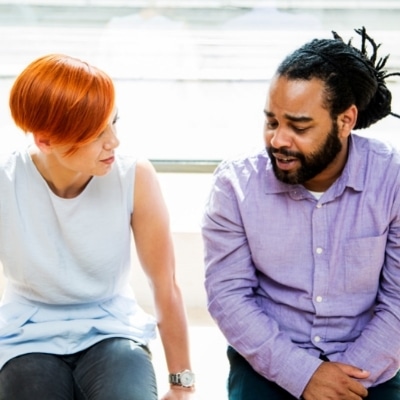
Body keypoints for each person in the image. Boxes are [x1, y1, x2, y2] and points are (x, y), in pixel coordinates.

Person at [202, 27, 400, 400]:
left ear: (345, 121)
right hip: (270, 360)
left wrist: (346, 380)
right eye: (272, 121)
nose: (278, 140)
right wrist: (303, 374)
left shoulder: (392, 179)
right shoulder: (235, 186)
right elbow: (228, 296)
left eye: (299, 126)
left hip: (368, 364)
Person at [0, 54, 196, 400]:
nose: (114, 142)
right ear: (44, 140)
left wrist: (181, 384)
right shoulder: (7, 181)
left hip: (111, 331)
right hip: (25, 335)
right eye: (95, 133)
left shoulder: (135, 176)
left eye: (113, 122)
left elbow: (165, 285)